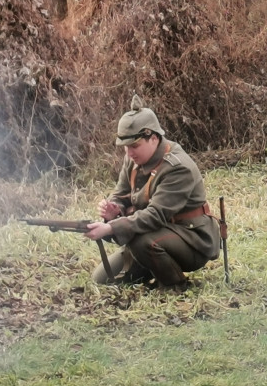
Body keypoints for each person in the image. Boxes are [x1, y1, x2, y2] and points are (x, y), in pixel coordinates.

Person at [84, 96, 220, 289]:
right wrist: (114, 209)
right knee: (103, 278)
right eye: (125, 148)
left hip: (193, 240)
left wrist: (112, 227)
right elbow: (121, 193)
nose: (129, 153)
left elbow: (155, 215)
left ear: (154, 138)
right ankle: (155, 265)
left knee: (141, 240)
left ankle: (176, 285)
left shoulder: (178, 167)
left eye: (134, 146)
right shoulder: (134, 159)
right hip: (157, 234)